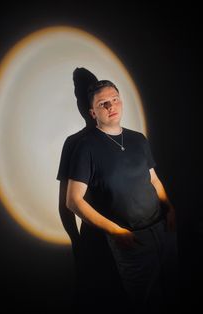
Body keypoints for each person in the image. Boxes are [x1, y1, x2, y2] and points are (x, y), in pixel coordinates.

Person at [66, 79, 178, 313]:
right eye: (103, 103)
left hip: (163, 230)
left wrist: (170, 208)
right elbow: (73, 201)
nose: (110, 106)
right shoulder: (85, 147)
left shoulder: (138, 139)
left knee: (173, 288)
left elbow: (154, 179)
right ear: (92, 112)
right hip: (132, 240)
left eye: (114, 99)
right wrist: (116, 231)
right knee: (145, 301)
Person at [57, 69, 123, 312]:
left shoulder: (125, 139)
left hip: (128, 235)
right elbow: (66, 201)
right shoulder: (75, 143)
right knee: (93, 297)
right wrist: (76, 241)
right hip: (95, 239)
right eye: (81, 95)